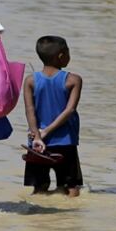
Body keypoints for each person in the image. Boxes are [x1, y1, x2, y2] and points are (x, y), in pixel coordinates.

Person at [22, 35, 83, 197]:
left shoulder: (30, 80)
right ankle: (69, 220)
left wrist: (37, 134)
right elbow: (69, 111)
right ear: (62, 56)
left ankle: (39, 219)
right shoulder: (73, 80)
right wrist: (47, 131)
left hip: (37, 143)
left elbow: (29, 110)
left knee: (39, 188)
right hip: (65, 141)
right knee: (71, 187)